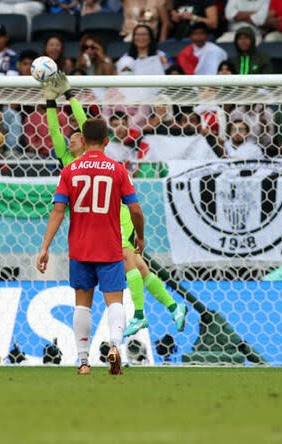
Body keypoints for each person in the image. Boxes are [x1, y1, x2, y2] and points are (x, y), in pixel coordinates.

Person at [41, 73, 188, 339]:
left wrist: (70, 96)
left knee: (125, 258)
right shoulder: (66, 160)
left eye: (77, 136)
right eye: (71, 136)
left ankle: (140, 316)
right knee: (141, 268)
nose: (73, 138)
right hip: (97, 223)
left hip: (115, 216)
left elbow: (88, 124)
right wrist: (51, 102)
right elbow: (54, 131)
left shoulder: (94, 154)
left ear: (85, 141)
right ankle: (175, 306)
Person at [36, 118, 143, 375]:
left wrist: (45, 247)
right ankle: (115, 346)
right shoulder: (117, 170)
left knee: (82, 304)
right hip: (109, 246)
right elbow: (135, 209)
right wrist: (140, 236)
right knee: (115, 301)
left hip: (80, 247)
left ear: (82, 141)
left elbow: (58, 211)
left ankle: (83, 361)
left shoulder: (70, 171)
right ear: (107, 141)